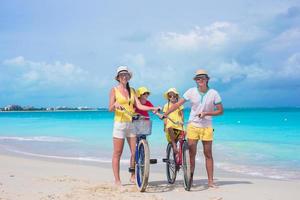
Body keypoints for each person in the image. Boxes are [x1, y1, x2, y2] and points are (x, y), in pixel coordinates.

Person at [162, 69, 223, 188]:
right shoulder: (191, 91)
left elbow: (220, 111)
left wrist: (206, 113)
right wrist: (166, 113)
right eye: (198, 78)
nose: (200, 80)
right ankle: (190, 179)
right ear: (195, 80)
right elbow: (177, 104)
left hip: (207, 126)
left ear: (207, 79)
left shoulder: (214, 93)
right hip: (193, 125)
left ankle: (210, 181)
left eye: (203, 78)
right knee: (191, 154)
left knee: (208, 153)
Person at [109, 66, 159, 185]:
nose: (124, 77)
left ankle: (132, 176)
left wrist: (152, 108)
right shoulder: (114, 90)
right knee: (117, 153)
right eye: (122, 75)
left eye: (126, 75)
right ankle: (117, 180)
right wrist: (115, 105)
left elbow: (140, 106)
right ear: (118, 78)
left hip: (132, 124)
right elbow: (110, 108)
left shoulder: (132, 90)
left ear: (128, 77)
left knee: (134, 152)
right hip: (120, 124)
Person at [162, 88, 184, 158]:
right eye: (170, 96)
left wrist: (182, 121)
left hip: (178, 124)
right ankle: (174, 145)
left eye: (174, 96)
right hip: (170, 125)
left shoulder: (179, 105)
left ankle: (181, 155)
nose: (172, 98)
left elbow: (182, 114)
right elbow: (165, 117)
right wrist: (164, 126)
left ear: (176, 96)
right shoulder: (166, 106)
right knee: (170, 127)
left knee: (184, 133)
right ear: (168, 97)